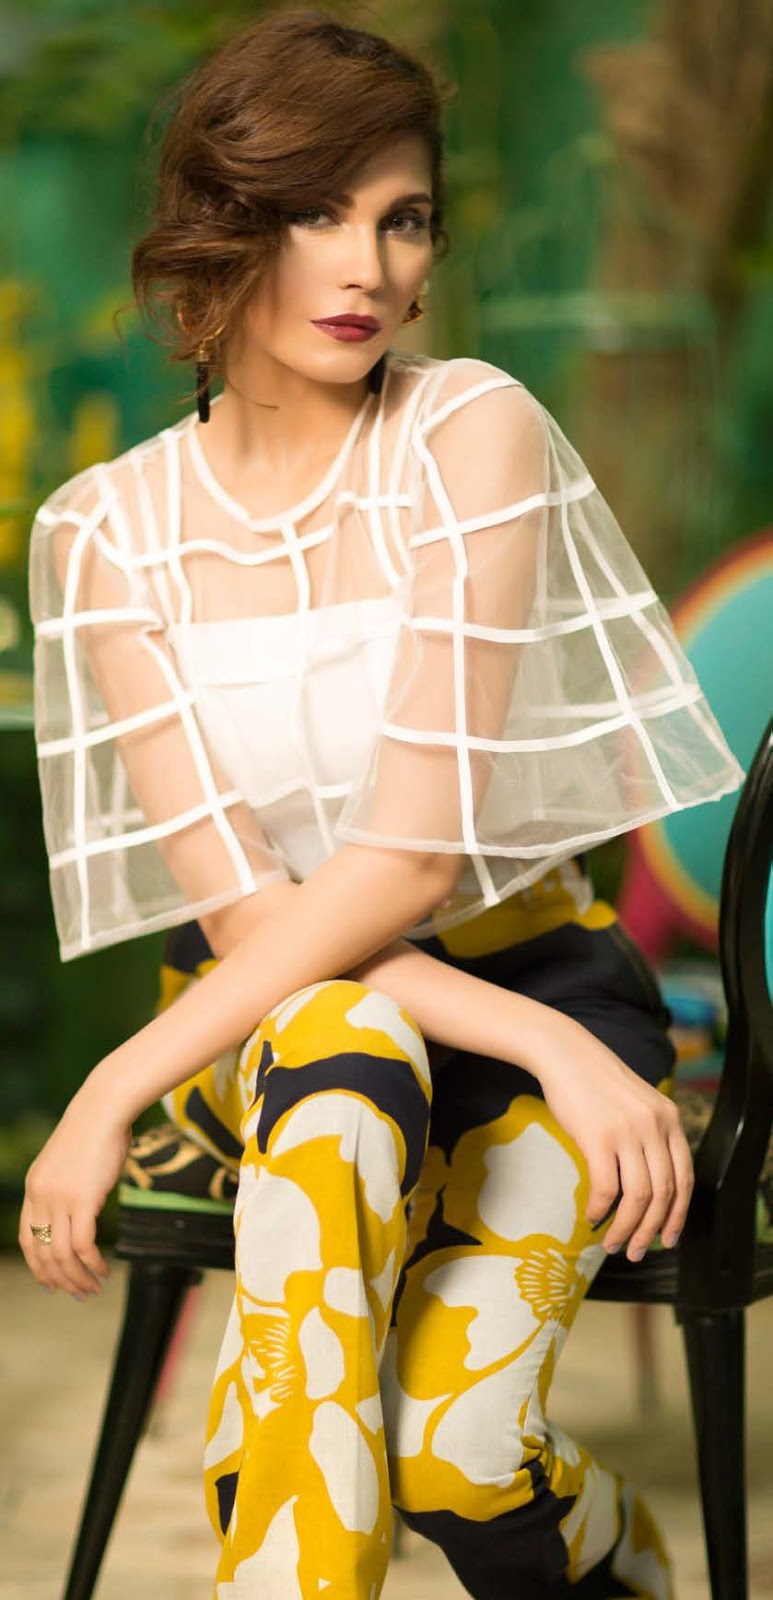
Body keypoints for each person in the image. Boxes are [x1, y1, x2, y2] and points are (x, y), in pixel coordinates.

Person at [20, 10, 744, 1598]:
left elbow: (408, 863)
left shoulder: (467, 433)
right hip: (283, 1025)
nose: (365, 266)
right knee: (336, 1043)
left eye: (401, 218)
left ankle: (616, 1567)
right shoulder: (105, 536)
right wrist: (128, 1085)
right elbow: (249, 924)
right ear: (219, 226)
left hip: (531, 978)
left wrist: (557, 1038)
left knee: (461, 1459)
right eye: (312, 212)